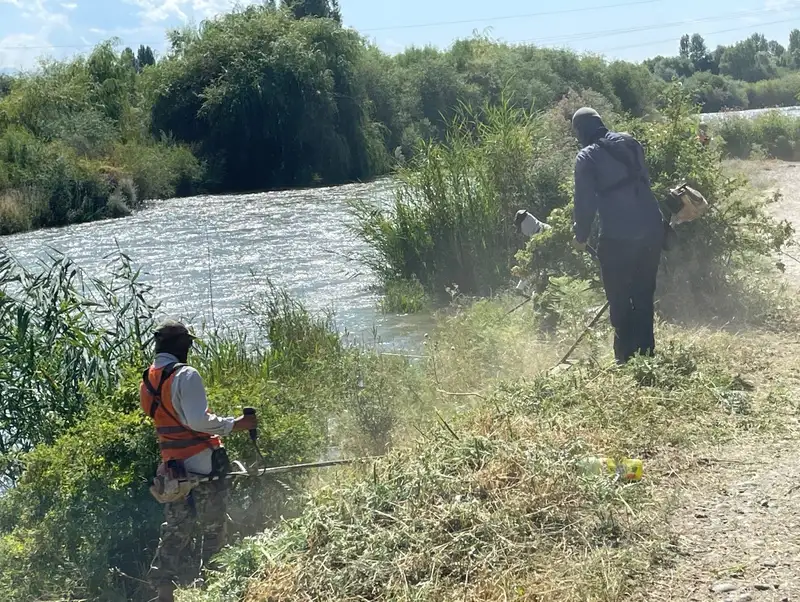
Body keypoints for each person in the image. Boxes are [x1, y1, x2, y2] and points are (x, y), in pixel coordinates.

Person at [140, 320, 258, 602]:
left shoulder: (148, 379)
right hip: (203, 462)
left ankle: (164, 593)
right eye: (189, 344)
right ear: (182, 345)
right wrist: (238, 424)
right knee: (213, 525)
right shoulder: (186, 374)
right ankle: (214, 583)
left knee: (176, 528)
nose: (190, 349)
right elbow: (197, 420)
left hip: (173, 469)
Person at [570, 107, 664, 364]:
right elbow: (643, 180)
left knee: (619, 298)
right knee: (643, 294)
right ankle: (646, 354)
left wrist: (581, 236)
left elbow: (584, 202)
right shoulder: (631, 142)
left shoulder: (586, 157)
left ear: (580, 131)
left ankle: (625, 358)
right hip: (652, 228)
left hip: (618, 237)